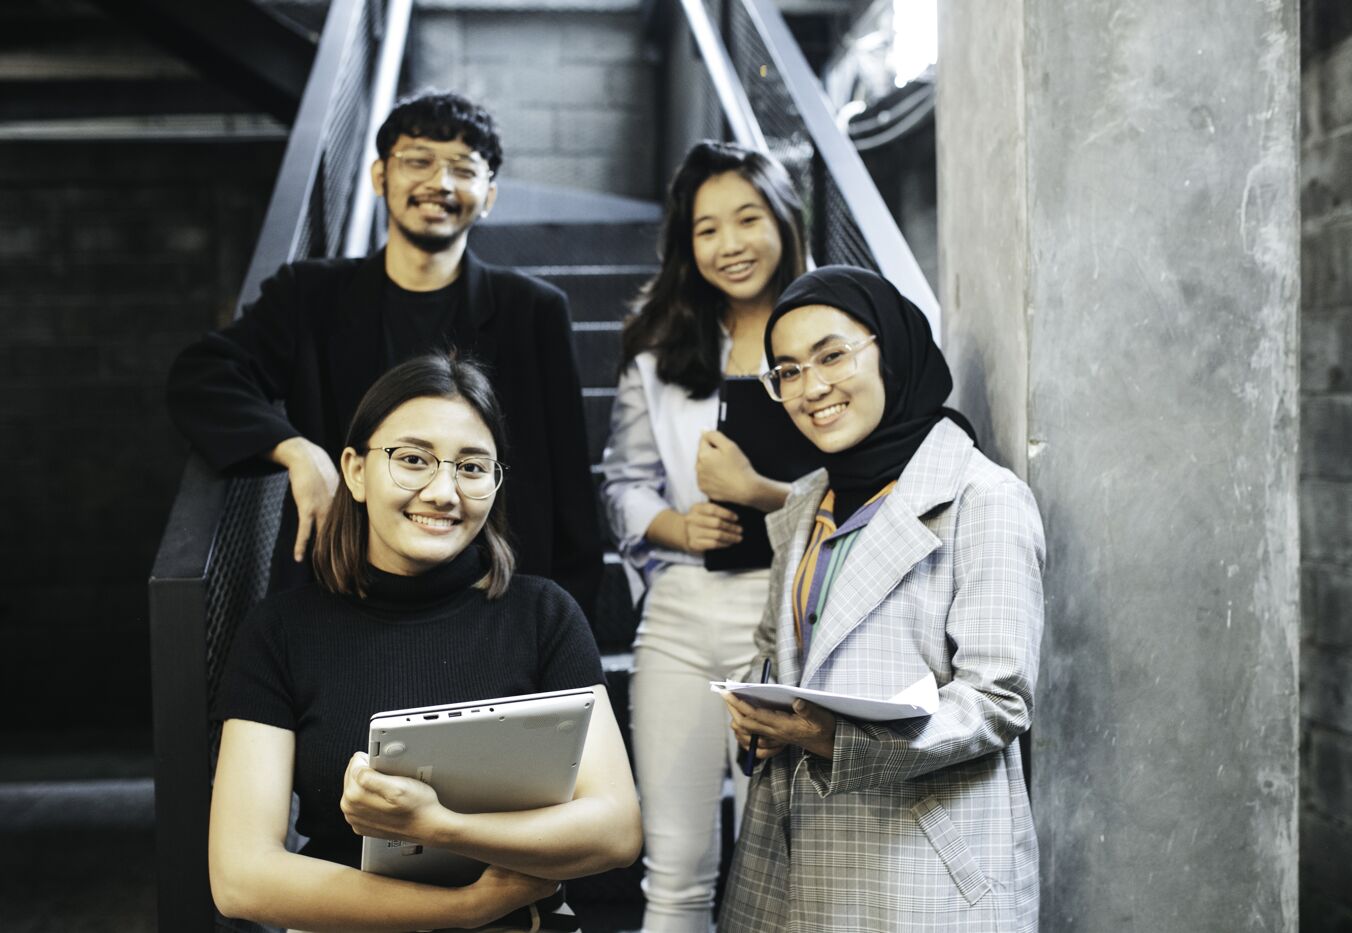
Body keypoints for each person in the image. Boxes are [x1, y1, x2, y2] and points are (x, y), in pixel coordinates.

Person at [207, 352, 641, 933]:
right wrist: (465, 910)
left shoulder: (544, 616)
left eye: (471, 467)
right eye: (412, 460)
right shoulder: (281, 631)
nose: (443, 491)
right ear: (355, 472)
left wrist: (438, 826)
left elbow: (616, 831)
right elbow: (240, 876)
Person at [167, 89, 602, 613]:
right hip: (342, 589)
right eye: (417, 160)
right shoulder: (311, 296)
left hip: (489, 598)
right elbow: (202, 375)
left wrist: (569, 619)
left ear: (488, 195)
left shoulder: (533, 311)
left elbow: (572, 492)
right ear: (380, 176)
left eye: (463, 169)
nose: (439, 183)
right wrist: (295, 450)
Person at [718, 265, 1045, 932]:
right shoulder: (808, 499)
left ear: (890, 351)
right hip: (790, 861)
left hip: (921, 869)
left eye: (832, 355)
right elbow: (774, 652)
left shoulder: (983, 497)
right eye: (787, 371)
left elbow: (999, 698)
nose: (812, 388)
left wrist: (838, 736)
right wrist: (758, 707)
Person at [600, 141, 807, 932]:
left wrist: (762, 494)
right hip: (682, 618)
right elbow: (622, 481)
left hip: (794, 621)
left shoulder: (830, 338)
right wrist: (677, 525)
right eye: (706, 228)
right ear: (686, 244)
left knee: (783, 876)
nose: (731, 244)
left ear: (785, 219)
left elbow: (872, 492)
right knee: (676, 876)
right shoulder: (660, 350)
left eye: (748, 218)